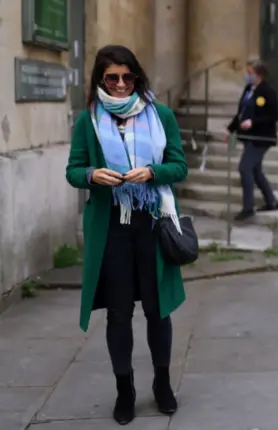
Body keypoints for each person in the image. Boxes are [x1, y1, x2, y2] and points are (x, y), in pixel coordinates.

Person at [65, 45, 188, 425]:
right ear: (100, 80)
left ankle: (163, 383)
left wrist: (153, 172)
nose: (120, 85)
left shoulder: (160, 115)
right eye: (111, 78)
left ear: (137, 77)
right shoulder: (88, 121)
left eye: (127, 77)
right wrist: (91, 176)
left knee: (157, 310)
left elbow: (178, 165)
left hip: (153, 224)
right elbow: (73, 169)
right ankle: (125, 390)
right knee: (118, 314)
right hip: (112, 229)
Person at [226, 59, 278, 221]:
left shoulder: (268, 92)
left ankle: (248, 207)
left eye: (250, 73)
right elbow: (241, 113)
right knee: (255, 171)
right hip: (249, 137)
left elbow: (273, 116)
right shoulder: (249, 89)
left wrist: (253, 122)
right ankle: (271, 201)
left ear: (259, 75)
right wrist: (230, 129)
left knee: (245, 167)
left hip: (262, 137)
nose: (247, 76)